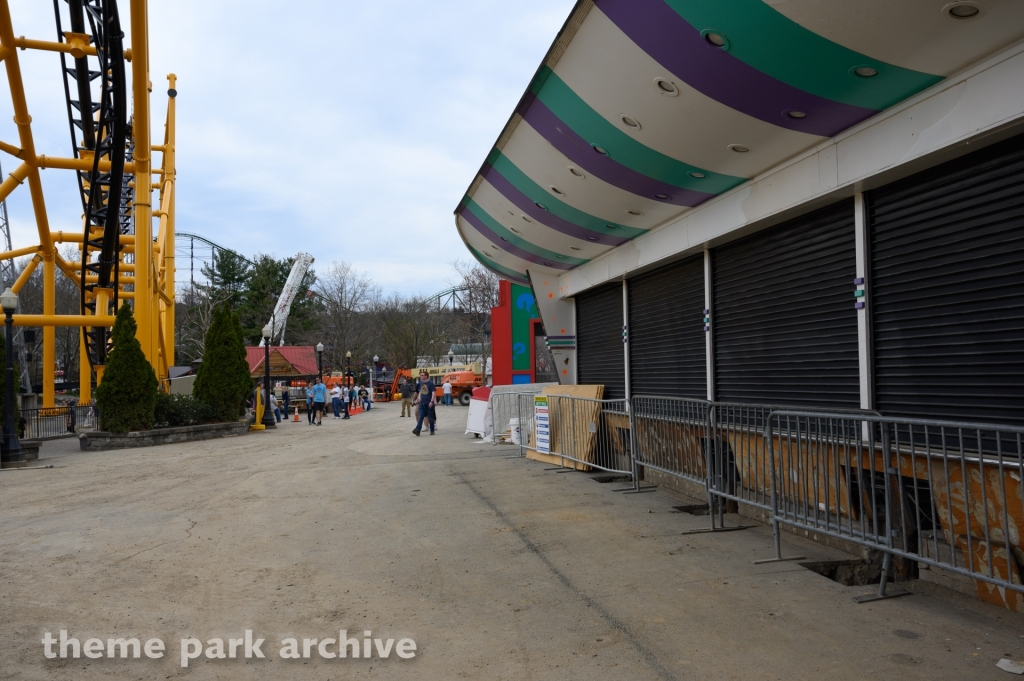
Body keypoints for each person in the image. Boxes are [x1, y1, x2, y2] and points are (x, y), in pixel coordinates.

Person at [412, 370, 436, 436]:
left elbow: (433, 393)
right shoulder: (420, 383)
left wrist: (432, 401)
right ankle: (418, 430)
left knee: (430, 417)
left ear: (426, 376)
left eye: (422, 375)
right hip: (422, 402)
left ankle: (432, 430)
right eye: (420, 375)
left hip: (429, 403)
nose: (421, 376)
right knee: (421, 415)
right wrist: (419, 398)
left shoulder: (431, 383)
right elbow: (420, 391)